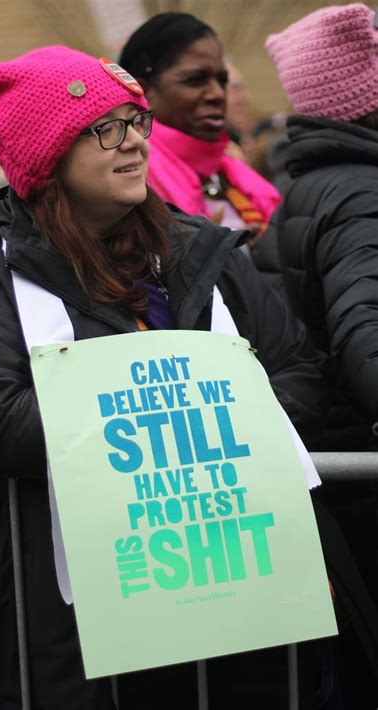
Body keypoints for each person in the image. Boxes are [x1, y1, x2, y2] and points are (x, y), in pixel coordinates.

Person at [0, 45, 347, 710]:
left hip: (241, 597)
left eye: (135, 122)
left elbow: (299, 376)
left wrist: (180, 408)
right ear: (46, 157)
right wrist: (178, 409)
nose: (134, 143)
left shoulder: (203, 250)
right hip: (71, 622)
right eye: (104, 128)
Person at [264, 5, 378, 705]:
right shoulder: (362, 194)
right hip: (360, 476)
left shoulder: (312, 183)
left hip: (336, 474)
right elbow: (366, 333)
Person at [119, 12, 281, 247]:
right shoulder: (133, 184)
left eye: (222, 80)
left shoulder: (230, 172)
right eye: (196, 80)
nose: (217, 94)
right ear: (144, 93)